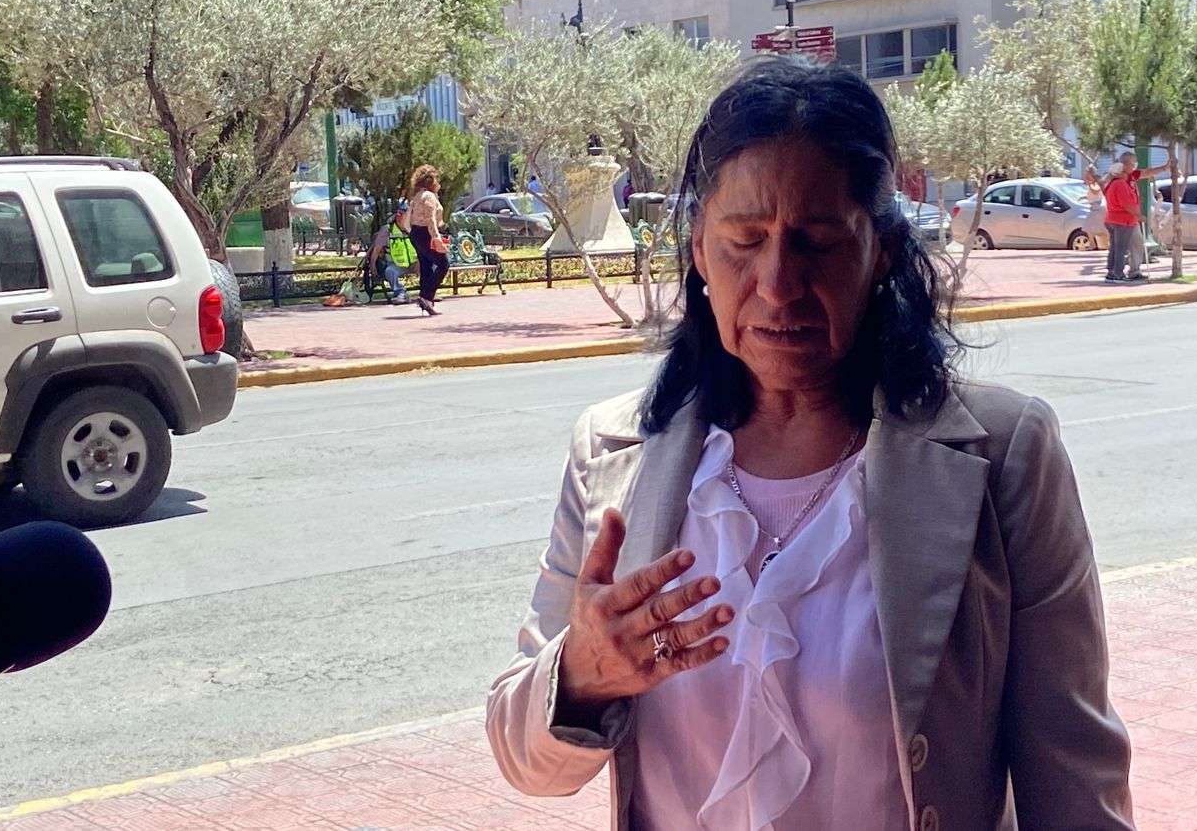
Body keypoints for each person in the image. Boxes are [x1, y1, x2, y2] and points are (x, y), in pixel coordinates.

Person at [486, 58, 1134, 830]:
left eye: (817, 241)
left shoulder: (1000, 458)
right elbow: (524, 760)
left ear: (880, 249)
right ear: (699, 252)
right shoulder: (614, 454)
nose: (778, 283)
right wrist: (582, 676)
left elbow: (1074, 776)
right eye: (744, 240)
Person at [1102, 153, 1171, 283]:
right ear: (1123, 167)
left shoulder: (1126, 178)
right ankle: (1116, 274)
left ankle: (1129, 272)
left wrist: (1164, 168)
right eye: (1133, 164)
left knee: (1130, 245)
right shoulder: (1120, 184)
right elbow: (1126, 203)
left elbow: (1146, 173)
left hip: (1125, 220)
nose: (1135, 167)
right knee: (1120, 248)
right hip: (1123, 220)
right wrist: (1139, 215)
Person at [407, 165, 449, 315]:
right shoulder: (429, 196)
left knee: (426, 265)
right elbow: (430, 219)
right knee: (443, 264)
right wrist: (436, 238)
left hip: (416, 233)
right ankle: (426, 296)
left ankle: (426, 300)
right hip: (426, 233)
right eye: (436, 180)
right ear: (431, 181)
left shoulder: (418, 196)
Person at [365, 206, 411, 305]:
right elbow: (377, 249)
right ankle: (400, 293)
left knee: (432, 266)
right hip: (396, 264)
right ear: (398, 216)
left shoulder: (413, 228)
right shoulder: (387, 230)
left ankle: (428, 293)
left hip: (414, 262)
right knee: (390, 271)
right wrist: (372, 265)